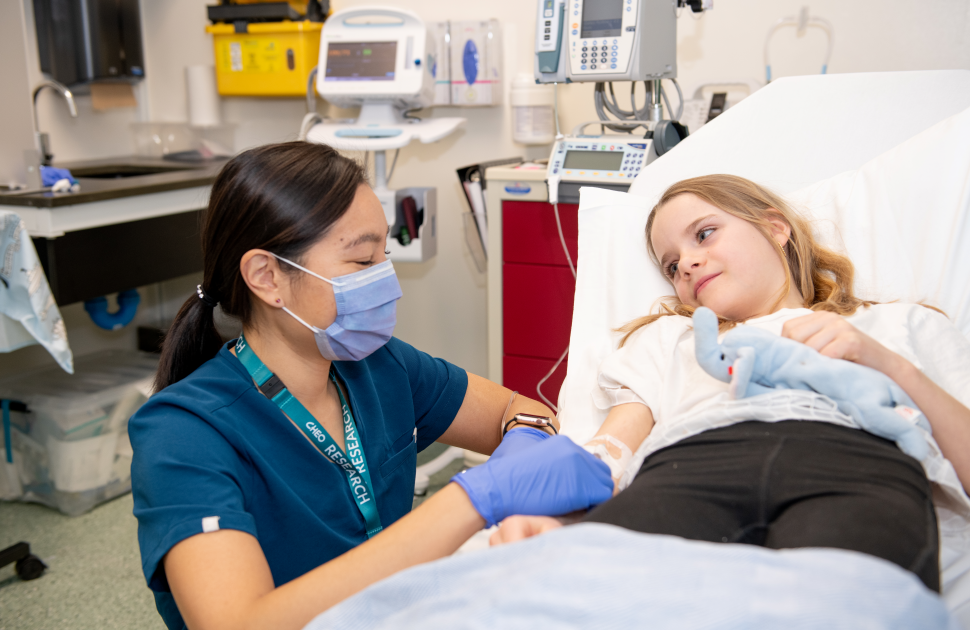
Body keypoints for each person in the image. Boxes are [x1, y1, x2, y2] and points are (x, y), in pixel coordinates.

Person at [129, 142, 613, 630]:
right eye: (363, 262)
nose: (387, 280)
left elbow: (513, 408)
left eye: (386, 254)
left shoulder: (377, 367)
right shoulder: (182, 434)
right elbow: (236, 622)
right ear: (267, 277)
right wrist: (473, 497)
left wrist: (527, 437)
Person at [491, 174, 970, 592]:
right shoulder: (671, 339)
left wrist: (886, 363)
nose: (688, 264)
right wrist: (561, 518)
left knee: (840, 600)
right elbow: (610, 448)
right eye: (672, 266)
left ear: (775, 227)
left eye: (704, 234)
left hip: (856, 460)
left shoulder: (898, 325)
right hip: (694, 465)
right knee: (593, 590)